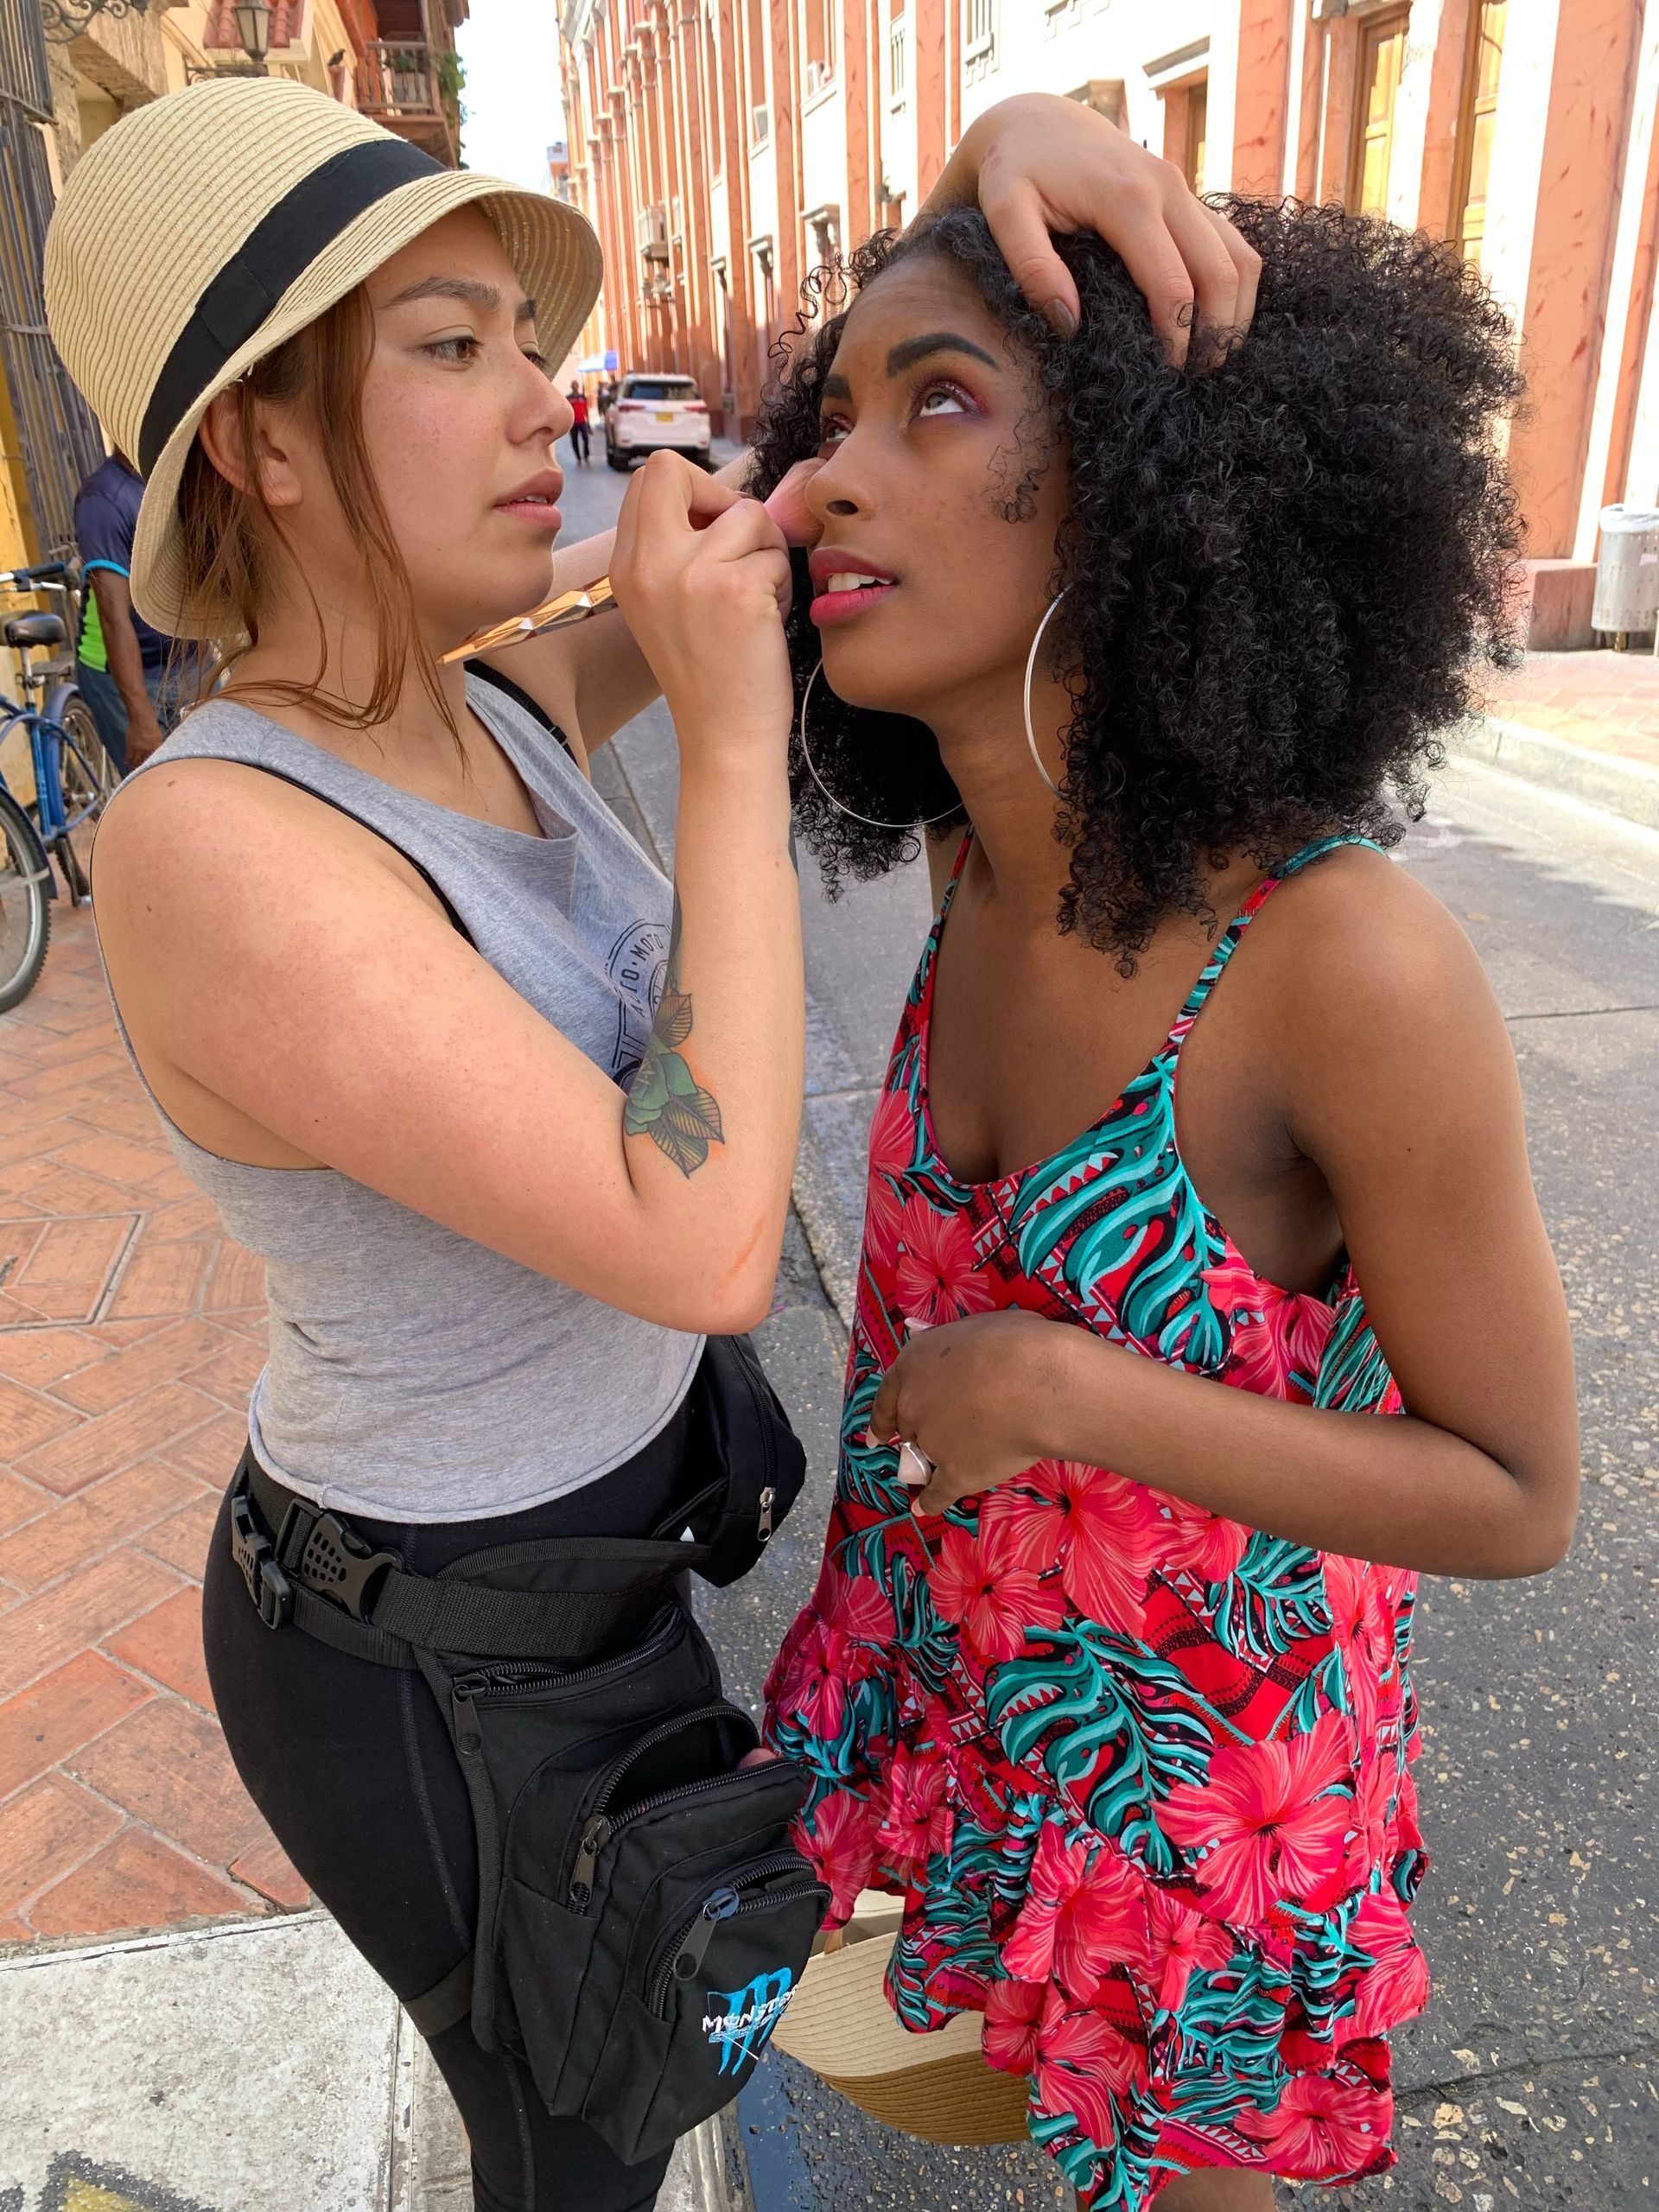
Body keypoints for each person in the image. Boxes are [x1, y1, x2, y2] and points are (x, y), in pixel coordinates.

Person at [45, 73, 1256, 2212]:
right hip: (414, 1645)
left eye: (526, 341)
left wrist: (975, 178)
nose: (543, 403)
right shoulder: (209, 842)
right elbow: (695, 1233)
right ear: (267, 438)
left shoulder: (480, 690)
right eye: (450, 347)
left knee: (644, 2072)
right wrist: (716, 736)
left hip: (597, 1573)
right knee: (578, 2138)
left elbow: (795, 519)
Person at [754, 204, 1580, 2212]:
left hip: (1207, 1814)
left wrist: (1058, 1382)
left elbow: (1513, 1488)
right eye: (831, 411)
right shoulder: (967, 860)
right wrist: (990, 163)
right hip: (997, 1711)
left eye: (938, 402)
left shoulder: (1340, 963)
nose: (822, 476)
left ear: (1152, 490)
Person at [73, 448, 194, 770]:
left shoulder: (180, 476)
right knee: (158, 794)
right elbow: (114, 618)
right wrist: (140, 720)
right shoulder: (103, 499)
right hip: (126, 677)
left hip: (186, 663)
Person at [566, 380, 591, 464]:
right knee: (574, 441)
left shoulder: (582, 397)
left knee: (586, 438)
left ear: (578, 386)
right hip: (573, 423)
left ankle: (586, 454)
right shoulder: (568, 398)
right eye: (573, 385)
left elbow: (586, 409)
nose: (575, 387)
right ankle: (578, 456)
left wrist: (588, 422)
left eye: (576, 385)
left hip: (582, 422)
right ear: (571, 387)